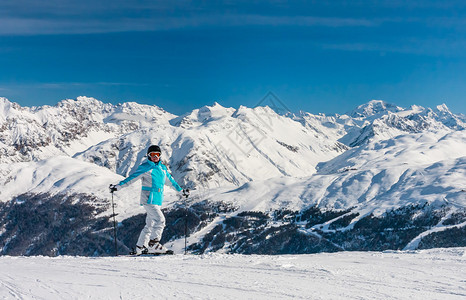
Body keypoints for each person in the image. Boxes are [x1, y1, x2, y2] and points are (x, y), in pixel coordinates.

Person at [109, 145, 188, 255]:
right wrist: (118, 186)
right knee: (160, 220)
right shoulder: (145, 167)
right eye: (152, 155)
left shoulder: (162, 168)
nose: (155, 157)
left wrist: (181, 191)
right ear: (148, 156)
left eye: (157, 154)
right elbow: (131, 179)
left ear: (160, 156)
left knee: (150, 224)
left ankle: (140, 247)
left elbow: (171, 182)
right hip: (148, 198)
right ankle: (153, 244)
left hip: (157, 199)